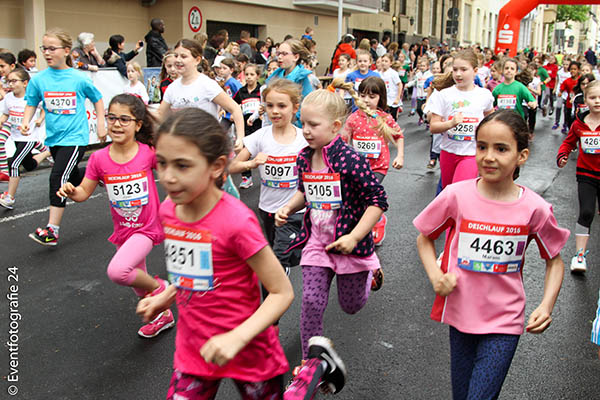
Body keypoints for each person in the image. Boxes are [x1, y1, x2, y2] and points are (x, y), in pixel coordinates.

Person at [136, 107, 346, 398]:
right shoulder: (169, 210)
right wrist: (165, 296)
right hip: (194, 348)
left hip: (249, 348)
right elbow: (191, 272)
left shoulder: (236, 220)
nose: (168, 177)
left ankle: (313, 369)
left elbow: (281, 292)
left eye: (182, 166)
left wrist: (237, 337)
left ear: (217, 166)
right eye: (162, 163)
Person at [415, 109, 569, 400]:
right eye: (482, 146)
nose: (488, 156)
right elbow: (425, 237)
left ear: (521, 156)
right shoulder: (455, 195)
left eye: (501, 149)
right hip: (461, 315)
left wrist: (546, 305)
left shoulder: (534, 208)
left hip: (505, 320)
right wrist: (436, 276)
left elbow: (555, 260)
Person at [275, 88, 388, 374]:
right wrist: (288, 208)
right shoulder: (303, 158)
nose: (306, 131)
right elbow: (305, 192)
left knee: (350, 306)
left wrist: (354, 237)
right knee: (311, 302)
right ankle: (309, 363)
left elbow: (378, 201)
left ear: (336, 127)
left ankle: (368, 274)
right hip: (317, 243)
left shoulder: (350, 160)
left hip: (350, 244)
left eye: (314, 125)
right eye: (303, 123)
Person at [57, 94, 174, 337]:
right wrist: (71, 191)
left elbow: (173, 175)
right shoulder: (99, 158)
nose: (117, 124)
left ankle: (162, 289)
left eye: (124, 119)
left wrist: (171, 203)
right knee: (135, 280)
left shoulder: (147, 153)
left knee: (118, 271)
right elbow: (83, 193)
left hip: (147, 228)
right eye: (112, 118)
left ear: (138, 125)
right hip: (123, 231)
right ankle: (163, 315)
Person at [20, 27, 106, 246]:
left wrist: (101, 124)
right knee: (73, 175)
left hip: (75, 138)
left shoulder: (78, 78)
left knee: (58, 178)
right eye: (44, 48)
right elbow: (31, 102)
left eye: (52, 48)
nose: (47, 53)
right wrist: (25, 121)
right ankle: (101, 172)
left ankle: (52, 230)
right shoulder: (40, 79)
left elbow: (97, 99)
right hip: (54, 139)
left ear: (67, 50)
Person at [231, 78, 307, 276]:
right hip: (267, 208)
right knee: (277, 250)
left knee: (275, 263)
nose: (275, 111)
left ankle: (275, 293)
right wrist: (252, 163)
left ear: (294, 108)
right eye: (270, 105)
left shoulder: (303, 139)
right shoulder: (260, 136)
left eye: (282, 106)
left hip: (294, 210)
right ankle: (286, 262)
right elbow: (233, 166)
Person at [337, 76, 403, 251]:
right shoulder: (353, 118)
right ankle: (366, 222)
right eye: (363, 95)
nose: (366, 100)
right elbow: (344, 139)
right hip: (357, 167)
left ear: (381, 98)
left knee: (367, 194)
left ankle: (377, 220)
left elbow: (398, 136)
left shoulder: (384, 118)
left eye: (372, 96)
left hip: (378, 166)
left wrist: (400, 156)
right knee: (356, 196)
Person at [158, 39, 244, 152]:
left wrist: (240, 138)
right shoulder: (172, 88)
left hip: (206, 147)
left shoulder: (207, 85)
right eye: (176, 55)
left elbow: (235, 108)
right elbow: (160, 115)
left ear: (197, 60)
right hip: (182, 147)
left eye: (183, 56)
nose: (178, 60)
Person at [429, 49, 495, 189]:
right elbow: (433, 127)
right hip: (448, 152)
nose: (458, 74)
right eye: (455, 70)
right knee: (449, 193)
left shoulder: (484, 95)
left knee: (460, 190)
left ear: (475, 71)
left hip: (471, 153)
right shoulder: (444, 94)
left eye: (464, 69)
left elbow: (491, 120)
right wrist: (451, 123)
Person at [557, 80, 600, 273]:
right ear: (586, 100)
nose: (597, 101)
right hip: (586, 174)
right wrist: (563, 155)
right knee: (586, 212)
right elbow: (568, 143)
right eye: (593, 98)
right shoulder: (578, 124)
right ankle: (579, 255)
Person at [0, 68, 50, 210]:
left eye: (14, 81)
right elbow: (5, 114)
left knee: (15, 164)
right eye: (8, 81)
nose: (10, 84)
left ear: (25, 83)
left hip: (29, 137)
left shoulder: (31, 97)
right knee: (29, 165)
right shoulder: (8, 97)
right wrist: (1, 121)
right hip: (16, 136)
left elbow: (44, 108)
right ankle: (47, 152)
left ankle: (10, 197)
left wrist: (40, 119)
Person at [266, 38, 314, 126]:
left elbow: (309, 104)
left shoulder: (302, 77)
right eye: (278, 53)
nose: (279, 57)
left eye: (284, 54)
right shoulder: (275, 76)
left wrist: (296, 119)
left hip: (295, 126)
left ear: (296, 57)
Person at [232, 64, 263, 189]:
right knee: (243, 151)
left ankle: (266, 176)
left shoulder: (261, 91)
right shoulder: (242, 91)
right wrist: (231, 114)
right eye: (247, 74)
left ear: (257, 76)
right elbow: (233, 105)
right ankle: (247, 177)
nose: (249, 77)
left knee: (263, 151)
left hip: (259, 126)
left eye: (252, 74)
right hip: (245, 126)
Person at [0, 52, 17, 181]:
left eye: (2, 66)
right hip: (8, 118)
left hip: (20, 118)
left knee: (31, 142)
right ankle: (4, 171)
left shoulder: (18, 79)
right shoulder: (2, 81)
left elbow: (11, 99)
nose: (0, 69)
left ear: (12, 66)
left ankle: (48, 151)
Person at [406, 56, 433, 126]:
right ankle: (421, 117)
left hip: (426, 95)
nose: (422, 67)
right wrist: (408, 85)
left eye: (423, 66)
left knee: (427, 109)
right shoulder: (418, 75)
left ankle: (428, 121)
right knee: (418, 108)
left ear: (427, 67)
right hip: (419, 95)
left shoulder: (430, 75)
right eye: (421, 66)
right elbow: (414, 81)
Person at [379, 53, 403, 120]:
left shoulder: (393, 73)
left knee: (393, 118)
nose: (383, 63)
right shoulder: (379, 73)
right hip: (383, 98)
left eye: (386, 61)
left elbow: (399, 84)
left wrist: (398, 97)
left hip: (392, 98)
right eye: (382, 61)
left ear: (390, 63)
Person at [560, 61, 582, 132]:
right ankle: (570, 131)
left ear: (578, 70)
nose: (573, 71)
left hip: (579, 104)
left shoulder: (581, 80)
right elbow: (562, 88)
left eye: (575, 69)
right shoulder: (567, 81)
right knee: (569, 119)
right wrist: (560, 92)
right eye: (571, 69)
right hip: (569, 104)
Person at [553, 59, 572, 131]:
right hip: (560, 91)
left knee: (566, 109)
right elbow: (557, 80)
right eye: (564, 64)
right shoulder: (559, 72)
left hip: (567, 93)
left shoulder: (570, 73)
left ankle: (565, 123)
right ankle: (556, 122)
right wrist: (555, 89)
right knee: (558, 107)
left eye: (567, 65)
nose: (565, 66)